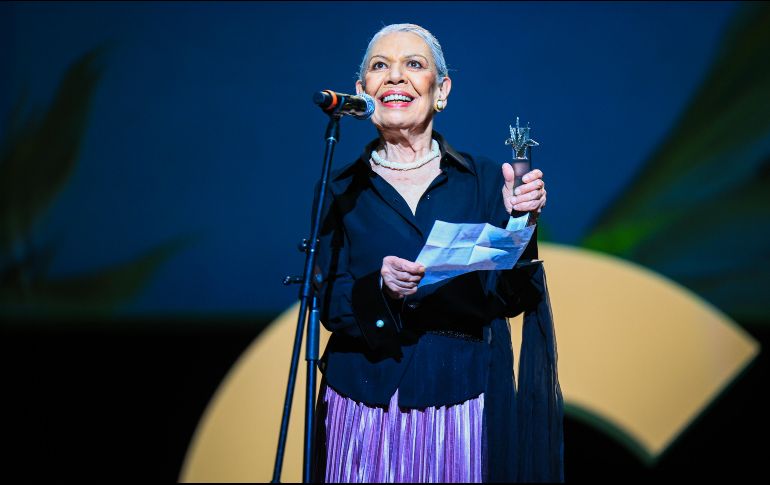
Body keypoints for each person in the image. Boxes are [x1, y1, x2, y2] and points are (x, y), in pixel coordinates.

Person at [311, 23, 563, 483]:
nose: (395, 78)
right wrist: (380, 289)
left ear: (441, 89)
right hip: (363, 397)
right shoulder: (341, 188)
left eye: (414, 65)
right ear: (360, 90)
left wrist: (520, 222)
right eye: (379, 66)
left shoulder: (485, 180)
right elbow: (326, 299)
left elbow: (513, 298)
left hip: (460, 399)